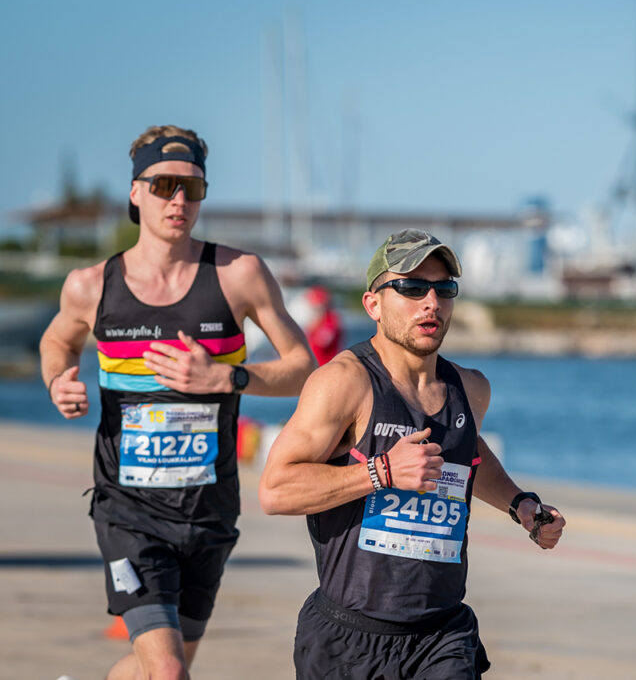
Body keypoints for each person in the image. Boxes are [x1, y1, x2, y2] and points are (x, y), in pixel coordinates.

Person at [39, 125, 317, 680]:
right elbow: (57, 341)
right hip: (129, 511)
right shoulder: (91, 286)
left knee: (164, 668)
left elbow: (303, 368)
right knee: (168, 672)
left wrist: (224, 377)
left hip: (208, 509)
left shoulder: (238, 275)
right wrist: (56, 381)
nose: (179, 200)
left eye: (193, 188)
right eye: (164, 185)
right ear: (135, 192)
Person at [258, 228, 566, 679]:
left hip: (442, 636)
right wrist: (381, 471)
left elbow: (467, 454)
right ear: (373, 304)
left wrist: (519, 503)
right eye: (412, 287)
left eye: (444, 289)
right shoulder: (345, 383)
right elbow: (275, 490)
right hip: (350, 639)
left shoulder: (471, 388)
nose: (431, 302)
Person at [303, 285, 344, 365]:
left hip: (326, 366)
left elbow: (321, 342)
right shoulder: (318, 321)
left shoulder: (331, 321)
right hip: (316, 366)